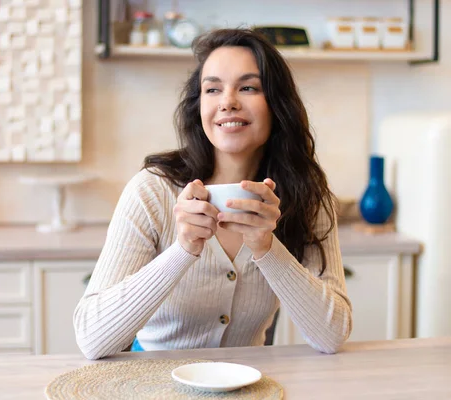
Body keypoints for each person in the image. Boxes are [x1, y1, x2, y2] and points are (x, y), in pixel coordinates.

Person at [74, 28, 352, 360]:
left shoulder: (306, 195)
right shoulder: (152, 192)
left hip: (252, 384)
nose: (228, 102)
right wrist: (183, 250)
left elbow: (332, 336)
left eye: (248, 87)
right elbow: (91, 339)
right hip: (152, 382)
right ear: (199, 106)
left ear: (277, 105)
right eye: (213, 89)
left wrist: (266, 247)